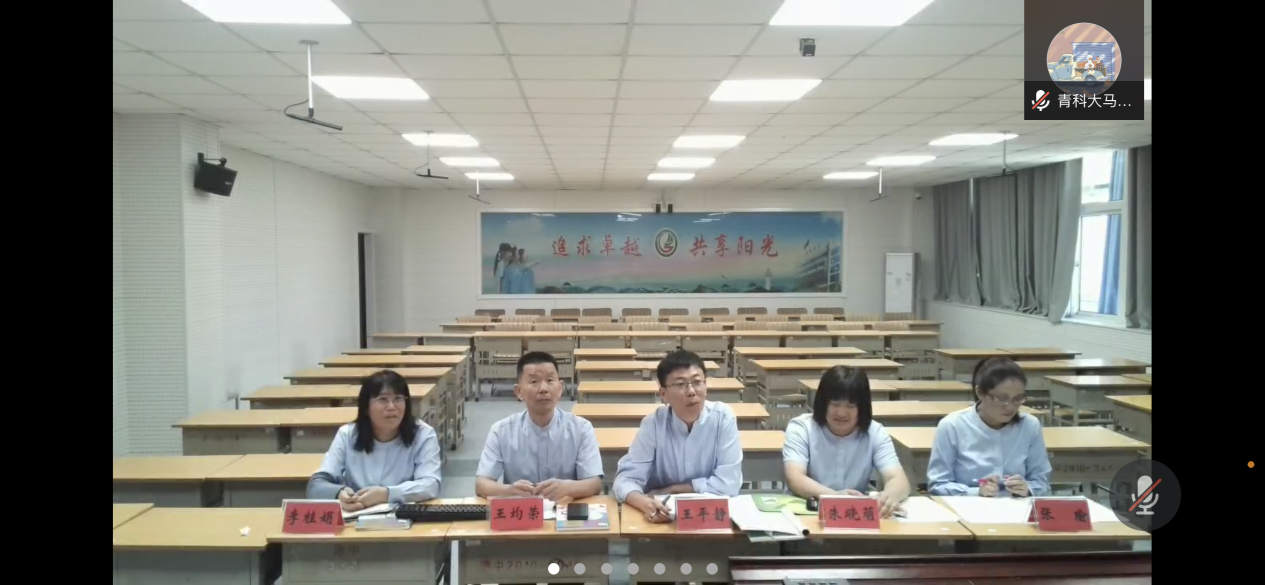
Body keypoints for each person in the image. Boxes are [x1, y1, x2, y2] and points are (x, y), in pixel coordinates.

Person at [612, 350, 742, 523]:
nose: (691, 391)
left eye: (697, 382)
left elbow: (729, 484)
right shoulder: (653, 425)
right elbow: (625, 481)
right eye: (680, 384)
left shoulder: (723, 418)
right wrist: (645, 503)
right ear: (663, 394)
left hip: (709, 519)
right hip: (661, 516)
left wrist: (674, 489)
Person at [782, 366, 910, 517]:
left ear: (862, 407)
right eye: (835, 404)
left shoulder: (875, 432)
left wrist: (889, 496)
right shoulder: (802, 428)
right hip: (808, 509)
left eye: (850, 406)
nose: (841, 413)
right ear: (823, 403)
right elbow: (795, 478)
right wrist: (836, 498)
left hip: (854, 516)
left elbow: (897, 479)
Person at [475, 352, 603, 501]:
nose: (543, 388)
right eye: (534, 381)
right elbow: (481, 484)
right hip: (521, 510)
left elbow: (595, 483)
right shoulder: (501, 431)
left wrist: (567, 488)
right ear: (519, 392)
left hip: (566, 509)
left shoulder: (581, 429)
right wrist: (509, 490)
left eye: (550, 380)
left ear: (560, 388)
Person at [307, 370, 443, 510]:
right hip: (355, 513)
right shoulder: (347, 434)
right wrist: (339, 493)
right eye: (382, 399)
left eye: (398, 398)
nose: (391, 407)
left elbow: (431, 484)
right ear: (366, 407)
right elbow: (316, 485)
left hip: (403, 514)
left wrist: (386, 494)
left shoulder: (423, 434)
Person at [926, 357, 1052, 497]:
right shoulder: (952, 426)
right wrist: (975, 492)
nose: (1010, 407)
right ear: (980, 393)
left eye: (1017, 399)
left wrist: (1028, 488)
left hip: (1018, 506)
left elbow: (1042, 483)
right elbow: (938, 485)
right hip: (967, 507)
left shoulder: (1029, 425)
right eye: (1001, 399)